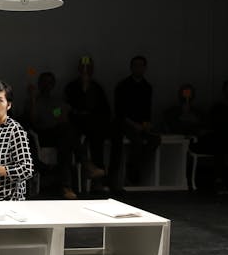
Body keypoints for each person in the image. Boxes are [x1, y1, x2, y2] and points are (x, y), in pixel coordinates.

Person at [108, 55, 160, 190]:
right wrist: (134, 124)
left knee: (155, 140)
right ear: (131, 67)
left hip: (141, 124)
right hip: (124, 123)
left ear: (145, 68)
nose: (138, 68)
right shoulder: (123, 86)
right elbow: (120, 111)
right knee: (136, 140)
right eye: (135, 65)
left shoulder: (147, 87)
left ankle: (139, 168)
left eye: (141, 65)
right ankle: (131, 174)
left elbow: (147, 109)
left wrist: (147, 123)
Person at [23, 72, 78, 199]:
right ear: (39, 84)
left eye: (49, 82)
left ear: (53, 85)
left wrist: (57, 115)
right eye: (43, 82)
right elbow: (33, 120)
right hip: (40, 135)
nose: (46, 85)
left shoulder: (55, 102)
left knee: (66, 136)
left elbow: (58, 117)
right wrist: (33, 99)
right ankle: (83, 164)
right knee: (66, 136)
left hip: (55, 133)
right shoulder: (33, 101)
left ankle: (66, 186)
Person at [64, 56, 111, 185]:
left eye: (88, 68)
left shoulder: (97, 87)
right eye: (83, 68)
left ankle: (99, 179)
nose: (85, 71)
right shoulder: (71, 86)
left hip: (93, 123)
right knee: (71, 138)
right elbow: (62, 108)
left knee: (98, 138)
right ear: (78, 69)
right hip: (76, 123)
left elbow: (105, 110)